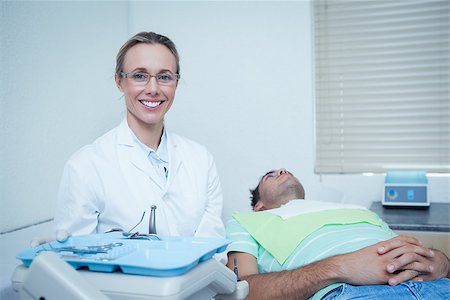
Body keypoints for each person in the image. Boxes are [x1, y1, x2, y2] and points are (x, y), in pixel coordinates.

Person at [52, 32, 225, 239]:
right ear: (119, 82)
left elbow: (212, 250)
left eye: (164, 77)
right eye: (140, 76)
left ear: (176, 84)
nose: (153, 89)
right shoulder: (86, 166)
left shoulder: (201, 160)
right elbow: (76, 259)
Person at [226, 168, 450, 300]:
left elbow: (406, 250)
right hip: (348, 293)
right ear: (259, 206)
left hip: (438, 286)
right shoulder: (246, 221)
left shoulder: (357, 210)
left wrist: (442, 263)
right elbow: (241, 292)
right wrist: (340, 267)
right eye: (270, 175)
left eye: (285, 170)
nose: (282, 171)